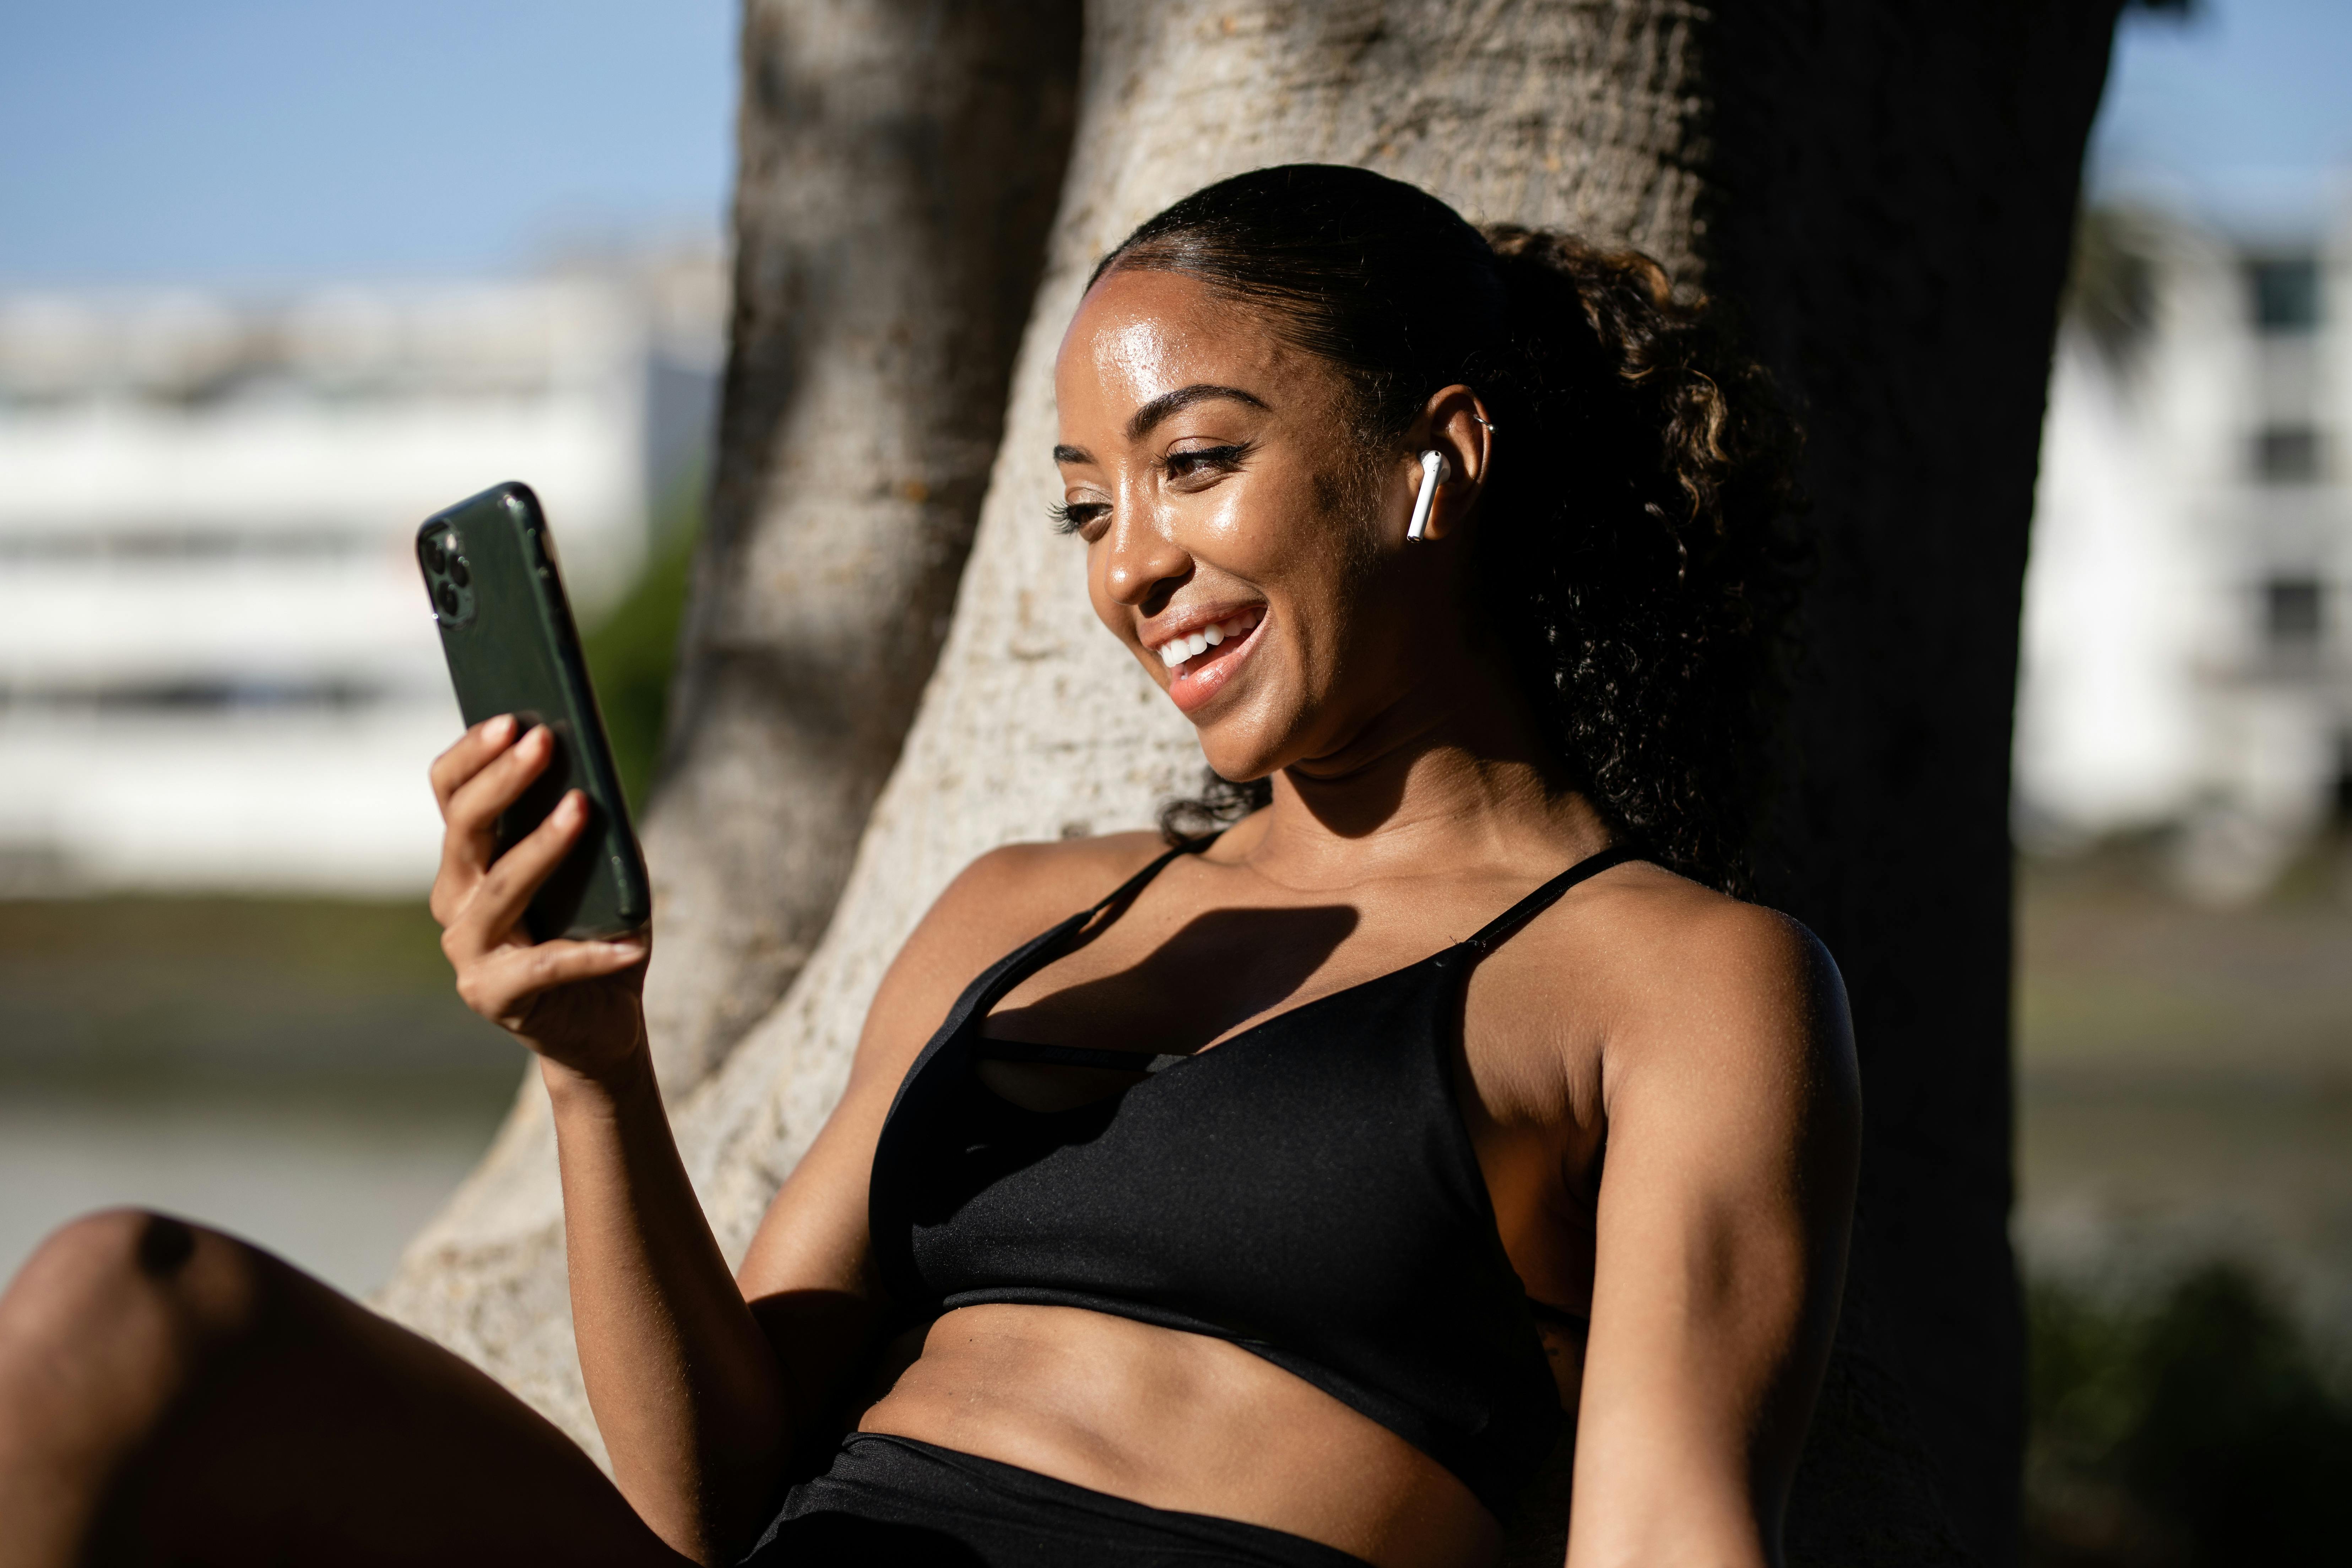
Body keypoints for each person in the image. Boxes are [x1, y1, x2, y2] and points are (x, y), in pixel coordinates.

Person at [0, 164, 1857, 1568]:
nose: (1129, 562)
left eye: (1193, 462)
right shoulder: (1033, 910)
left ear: (1431, 463)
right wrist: (589, 1064)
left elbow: (1671, 1537)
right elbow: (711, 1491)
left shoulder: (1674, 980)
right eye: (1084, 505)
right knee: (118, 1303)